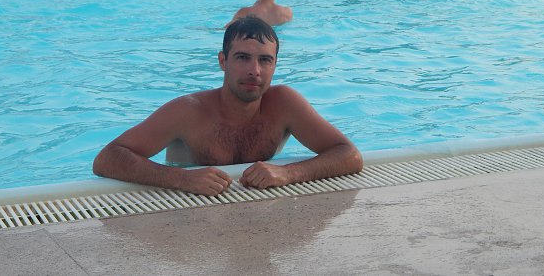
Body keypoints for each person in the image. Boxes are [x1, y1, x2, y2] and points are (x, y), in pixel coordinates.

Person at [93, 17, 363, 196]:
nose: (254, 70)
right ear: (223, 61)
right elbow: (107, 158)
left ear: (275, 65)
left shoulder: (284, 104)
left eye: (265, 60)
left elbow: (349, 155)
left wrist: (287, 173)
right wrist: (183, 179)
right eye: (243, 58)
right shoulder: (188, 112)